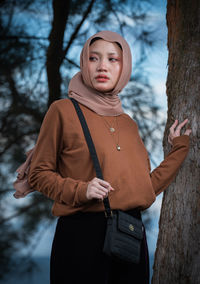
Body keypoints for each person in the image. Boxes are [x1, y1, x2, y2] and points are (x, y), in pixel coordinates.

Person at [28, 31, 191, 284]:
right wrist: (81, 190)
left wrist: (179, 147)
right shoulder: (62, 110)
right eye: (93, 58)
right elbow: (38, 174)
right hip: (81, 236)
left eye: (113, 59)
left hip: (130, 236)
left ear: (124, 67)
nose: (102, 66)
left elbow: (145, 189)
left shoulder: (128, 123)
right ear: (84, 63)